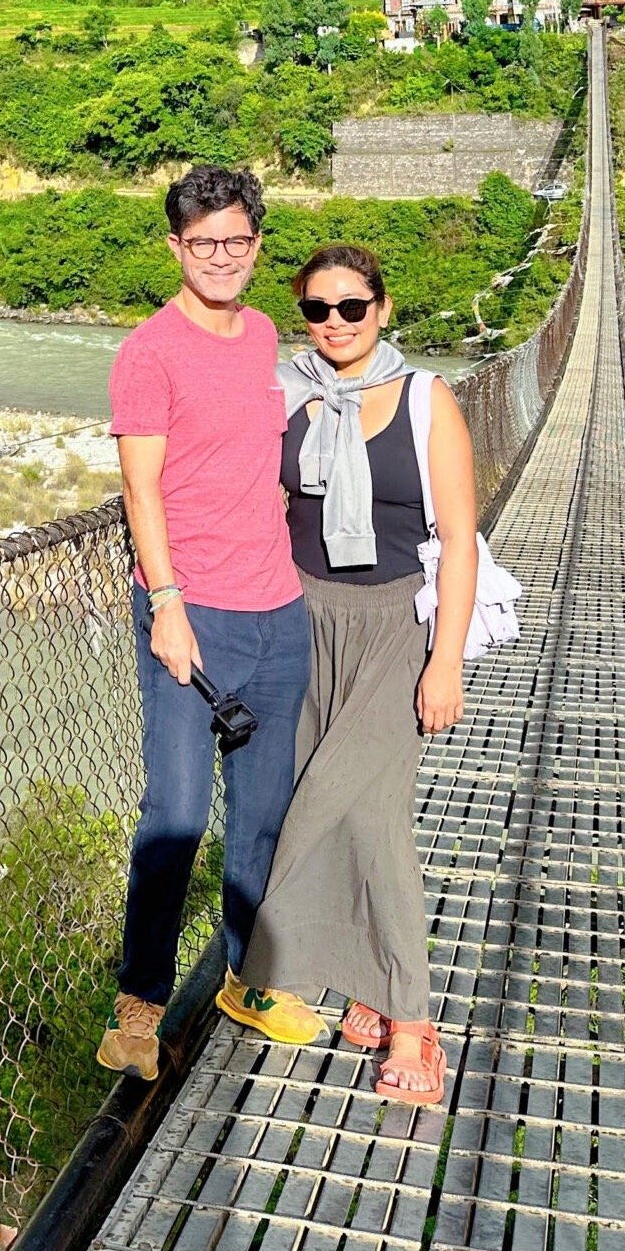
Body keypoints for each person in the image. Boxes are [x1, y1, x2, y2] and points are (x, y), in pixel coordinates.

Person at [232, 242, 478, 1106]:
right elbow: (244, 495)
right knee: (318, 801)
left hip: (395, 628)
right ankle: (366, 986)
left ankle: (414, 1017)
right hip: (302, 619)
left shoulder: (425, 400)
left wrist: (444, 660)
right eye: (317, 310)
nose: (334, 324)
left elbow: (457, 540)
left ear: (382, 308)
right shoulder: (287, 395)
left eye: (352, 308)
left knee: (369, 815)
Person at [99, 165, 317, 1082]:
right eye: (202, 244)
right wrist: (165, 604)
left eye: (236, 242)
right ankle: (138, 1009)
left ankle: (245, 976)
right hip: (193, 619)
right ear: (176, 248)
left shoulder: (264, 332)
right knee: (177, 816)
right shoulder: (147, 352)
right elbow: (140, 486)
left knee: (263, 815)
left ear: (256, 245)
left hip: (280, 609)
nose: (221, 258)